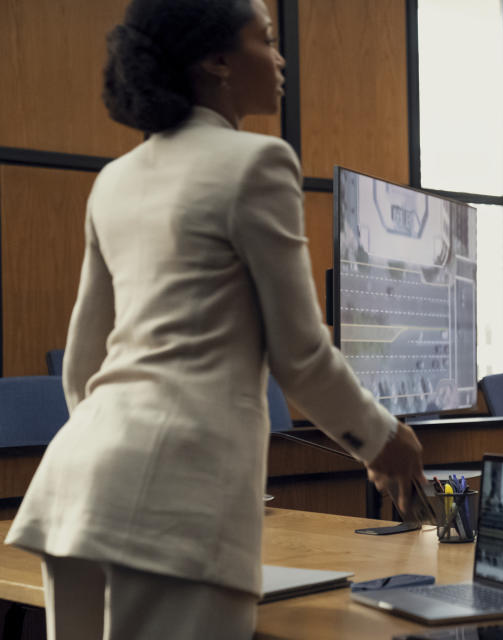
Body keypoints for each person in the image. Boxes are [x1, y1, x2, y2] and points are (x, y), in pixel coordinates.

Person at [4, 0, 424, 637]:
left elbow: (83, 367)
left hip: (78, 486)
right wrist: (383, 437)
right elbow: (300, 355)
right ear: (217, 61)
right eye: (266, 40)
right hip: (177, 498)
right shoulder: (257, 163)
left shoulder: (114, 179)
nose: (280, 58)